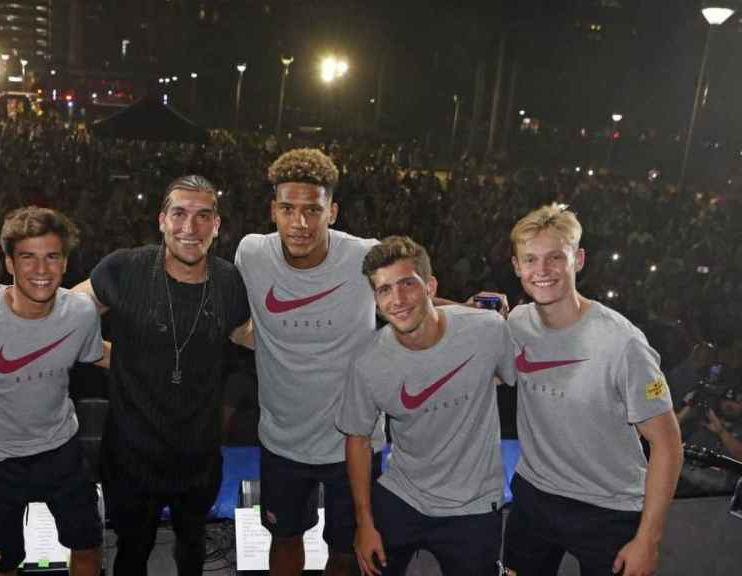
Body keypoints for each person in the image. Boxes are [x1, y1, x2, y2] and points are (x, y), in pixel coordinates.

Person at [72, 175, 252, 575]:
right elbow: (64, 311)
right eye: (179, 214)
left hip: (199, 456)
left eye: (203, 216)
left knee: (192, 554)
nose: (190, 228)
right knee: (132, 554)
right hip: (131, 456)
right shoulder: (125, 268)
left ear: (218, 225)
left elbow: (256, 337)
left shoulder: (229, 282)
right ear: (161, 219)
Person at [502, 203, 683, 576]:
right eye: (531, 260)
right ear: (517, 266)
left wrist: (648, 540)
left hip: (609, 510)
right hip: (534, 498)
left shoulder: (622, 343)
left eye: (555, 257)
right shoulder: (518, 323)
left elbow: (668, 445)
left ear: (578, 259)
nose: (542, 271)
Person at [234, 148, 386, 576]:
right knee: (284, 540)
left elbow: (416, 302)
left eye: (312, 210)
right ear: (273, 211)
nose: (299, 223)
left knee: (344, 551)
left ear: (332, 212)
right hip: (283, 439)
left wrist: (472, 312)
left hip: (353, 442)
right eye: (288, 209)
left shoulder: (365, 257)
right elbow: (228, 318)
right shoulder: (252, 255)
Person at [0, 207, 103, 576]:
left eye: (51, 257)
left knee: (89, 548)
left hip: (61, 447)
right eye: (28, 257)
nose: (41, 270)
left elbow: (98, 354)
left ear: (64, 263)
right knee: (2, 565)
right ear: (9, 263)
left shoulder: (81, 313)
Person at [338, 236, 514, 576]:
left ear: (430, 286)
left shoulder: (488, 330)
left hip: (474, 505)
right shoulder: (368, 362)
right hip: (404, 494)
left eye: (407, 284)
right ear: (375, 299)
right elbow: (357, 439)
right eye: (384, 289)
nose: (398, 299)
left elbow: (508, 376)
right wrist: (364, 524)